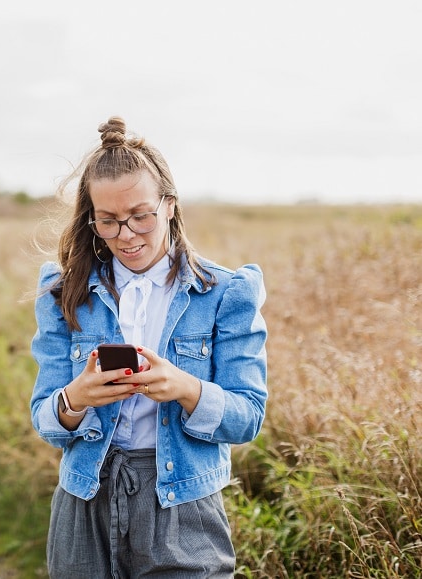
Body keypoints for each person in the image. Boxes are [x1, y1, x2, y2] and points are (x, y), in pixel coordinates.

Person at [30, 116, 267, 578]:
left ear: (170, 205)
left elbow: (248, 419)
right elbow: (46, 419)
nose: (126, 235)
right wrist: (75, 399)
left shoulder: (226, 293)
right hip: (84, 501)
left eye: (140, 215)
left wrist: (185, 388)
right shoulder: (64, 290)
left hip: (182, 504)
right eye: (109, 221)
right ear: (92, 219)